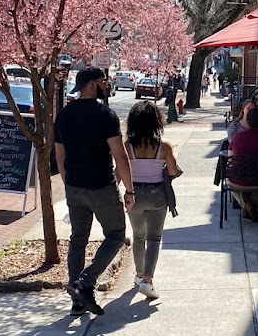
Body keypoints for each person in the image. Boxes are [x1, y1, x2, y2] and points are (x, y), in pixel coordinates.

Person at [53, 66, 135, 317]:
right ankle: (85, 282)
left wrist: (68, 181)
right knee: (116, 235)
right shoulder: (105, 115)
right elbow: (120, 155)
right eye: (103, 81)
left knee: (78, 239)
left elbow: (59, 155)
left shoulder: (64, 115)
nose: (107, 84)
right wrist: (130, 190)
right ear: (91, 84)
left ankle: (77, 301)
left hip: (74, 187)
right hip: (101, 186)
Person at [125, 99, 180, 299]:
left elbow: (119, 171)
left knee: (138, 235)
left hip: (134, 195)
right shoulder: (163, 147)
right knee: (154, 239)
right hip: (157, 196)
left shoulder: (128, 147)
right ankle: (148, 281)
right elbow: (172, 171)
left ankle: (139, 275)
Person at [226, 105, 258, 222]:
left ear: (247, 121)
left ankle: (247, 206)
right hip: (257, 181)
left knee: (230, 182)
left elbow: (230, 158)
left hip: (236, 180)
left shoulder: (236, 137)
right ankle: (250, 206)